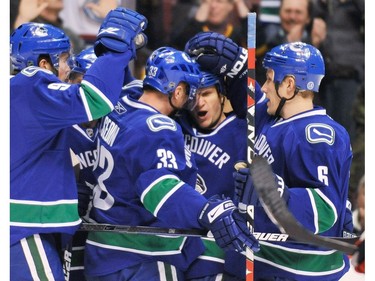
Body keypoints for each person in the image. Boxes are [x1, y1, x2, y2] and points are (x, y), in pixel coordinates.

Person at [184, 36, 354, 280]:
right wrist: (237, 67)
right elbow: (253, 101)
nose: (264, 86)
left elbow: (324, 211)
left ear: (289, 85)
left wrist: (273, 190)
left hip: (295, 269)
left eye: (270, 79)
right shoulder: (275, 117)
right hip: (260, 259)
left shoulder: (316, 135)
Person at [84, 46, 260, 280]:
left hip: (100, 250)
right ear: (177, 91)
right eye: (189, 90)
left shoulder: (123, 102)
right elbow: (157, 187)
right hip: (140, 256)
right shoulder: (160, 129)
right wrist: (208, 211)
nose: (193, 99)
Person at [10, 7, 148, 280]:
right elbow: (94, 100)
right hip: (20, 229)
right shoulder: (30, 85)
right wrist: (116, 49)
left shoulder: (18, 93)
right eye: (63, 59)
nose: (69, 67)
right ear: (43, 64)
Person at [170, 0, 250, 50]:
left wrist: (240, 3)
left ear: (230, 6)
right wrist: (204, 6)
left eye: (219, 1)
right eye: (209, 1)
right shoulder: (193, 30)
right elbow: (179, 44)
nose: (213, 6)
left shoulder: (237, 34)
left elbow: (258, 46)